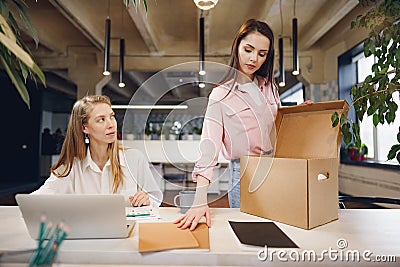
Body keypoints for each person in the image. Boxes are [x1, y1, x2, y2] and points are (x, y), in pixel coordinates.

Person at [175, 19, 312, 230]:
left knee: (280, 230)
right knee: (249, 233)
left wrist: (298, 113)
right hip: (244, 173)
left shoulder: (269, 87)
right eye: (248, 49)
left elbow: (274, 122)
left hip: (276, 168)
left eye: (262, 53)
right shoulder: (221, 95)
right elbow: (209, 147)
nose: (253, 58)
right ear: (237, 46)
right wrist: (200, 199)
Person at [33, 95, 163, 207]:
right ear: (85, 128)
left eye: (112, 117)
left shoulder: (134, 158)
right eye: (101, 120)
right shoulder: (72, 165)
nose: (111, 124)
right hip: (86, 234)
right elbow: (37, 200)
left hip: (129, 233)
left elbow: (155, 197)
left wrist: (147, 200)